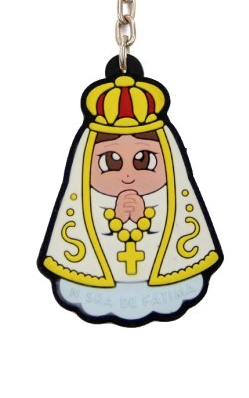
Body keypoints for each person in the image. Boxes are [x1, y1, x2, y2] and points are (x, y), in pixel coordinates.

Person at [38, 71, 222, 326]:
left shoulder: (172, 203)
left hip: (166, 286)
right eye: (111, 161)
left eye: (143, 160)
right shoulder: (84, 206)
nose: (127, 176)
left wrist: (144, 217)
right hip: (95, 290)